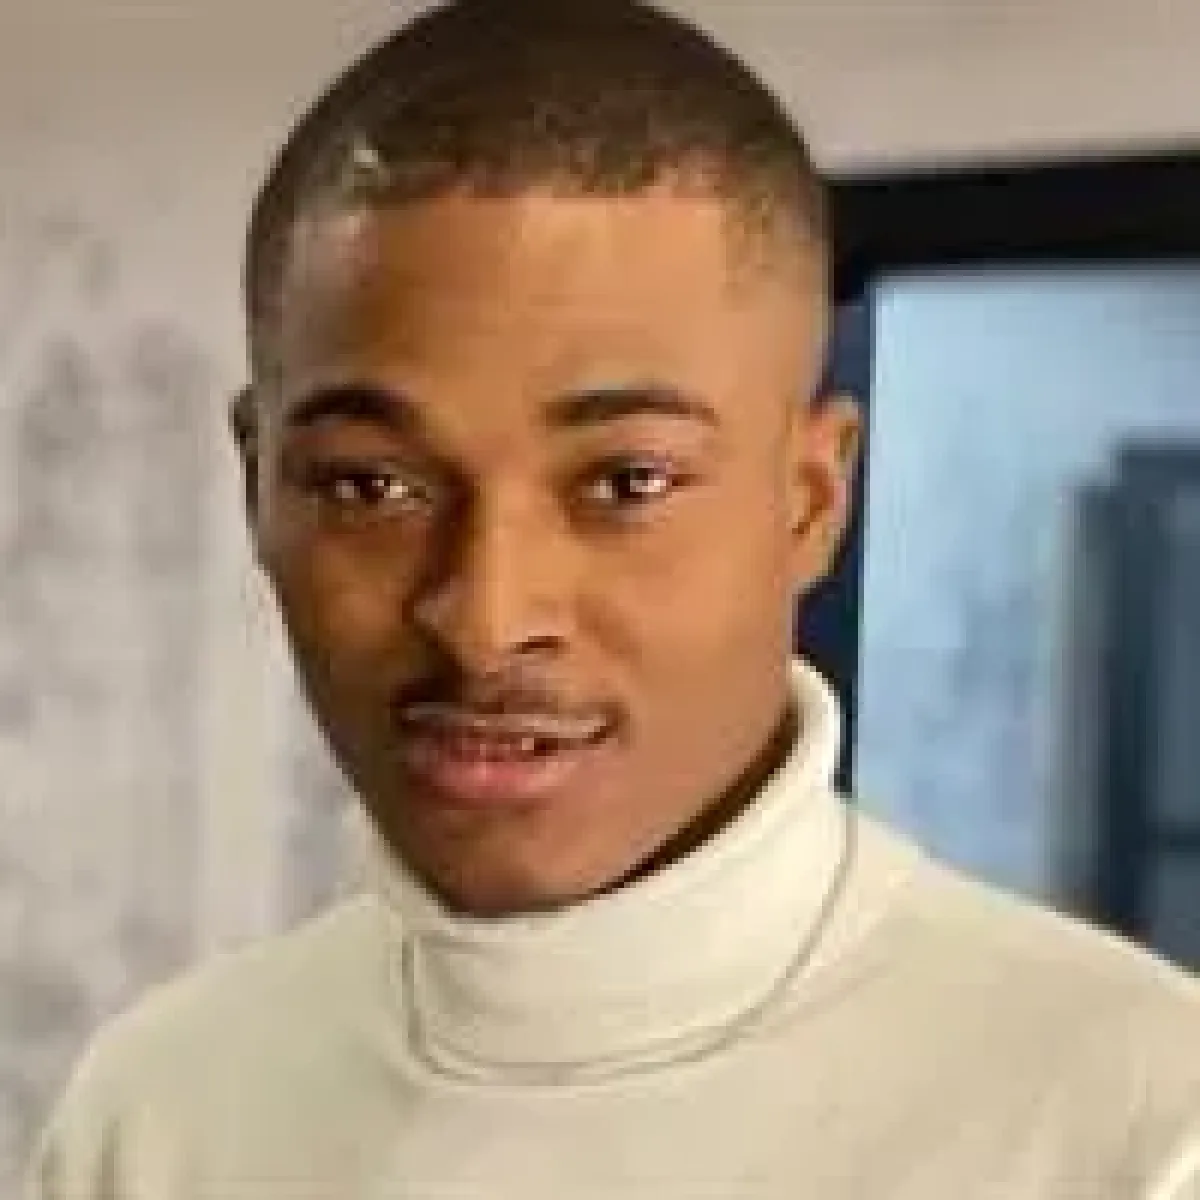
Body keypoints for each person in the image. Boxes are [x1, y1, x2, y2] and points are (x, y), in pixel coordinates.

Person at [27, 0, 1200, 1196]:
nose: (486, 620)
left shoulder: (1136, 1128)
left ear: (809, 502)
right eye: (372, 485)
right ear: (257, 486)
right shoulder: (163, 1112)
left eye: (627, 482)